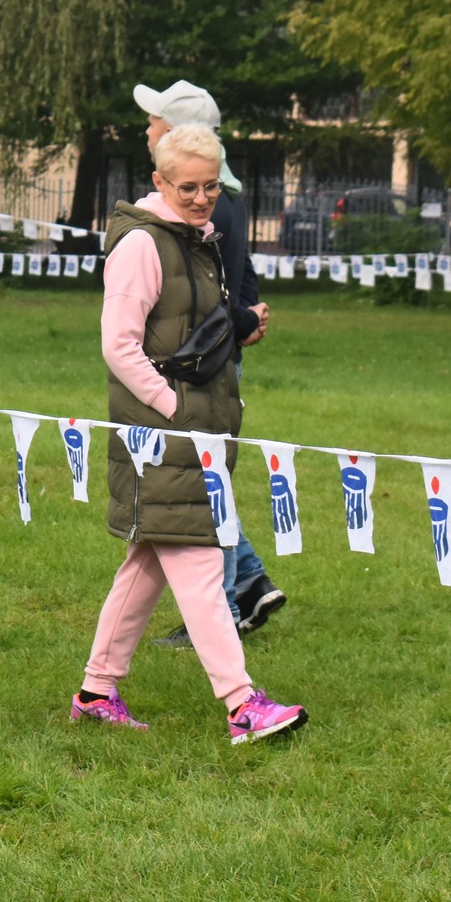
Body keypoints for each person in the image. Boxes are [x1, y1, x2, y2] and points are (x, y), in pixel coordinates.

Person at [72, 124, 306, 744]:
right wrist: (174, 408)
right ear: (160, 181)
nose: (202, 198)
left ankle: (95, 692)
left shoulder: (197, 239)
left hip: (196, 430)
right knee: (202, 564)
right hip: (163, 435)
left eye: (211, 187)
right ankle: (242, 704)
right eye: (188, 188)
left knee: (148, 564)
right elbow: (119, 346)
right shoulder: (142, 245)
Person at [132, 79, 287, 639]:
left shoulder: (209, 202)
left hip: (195, 363)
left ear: (179, 133)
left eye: (154, 120)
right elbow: (241, 279)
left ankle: (220, 609)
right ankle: (250, 580)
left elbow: (212, 289)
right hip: (208, 355)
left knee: (200, 486)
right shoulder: (230, 195)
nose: (146, 128)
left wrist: (242, 320)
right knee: (202, 478)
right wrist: (248, 317)